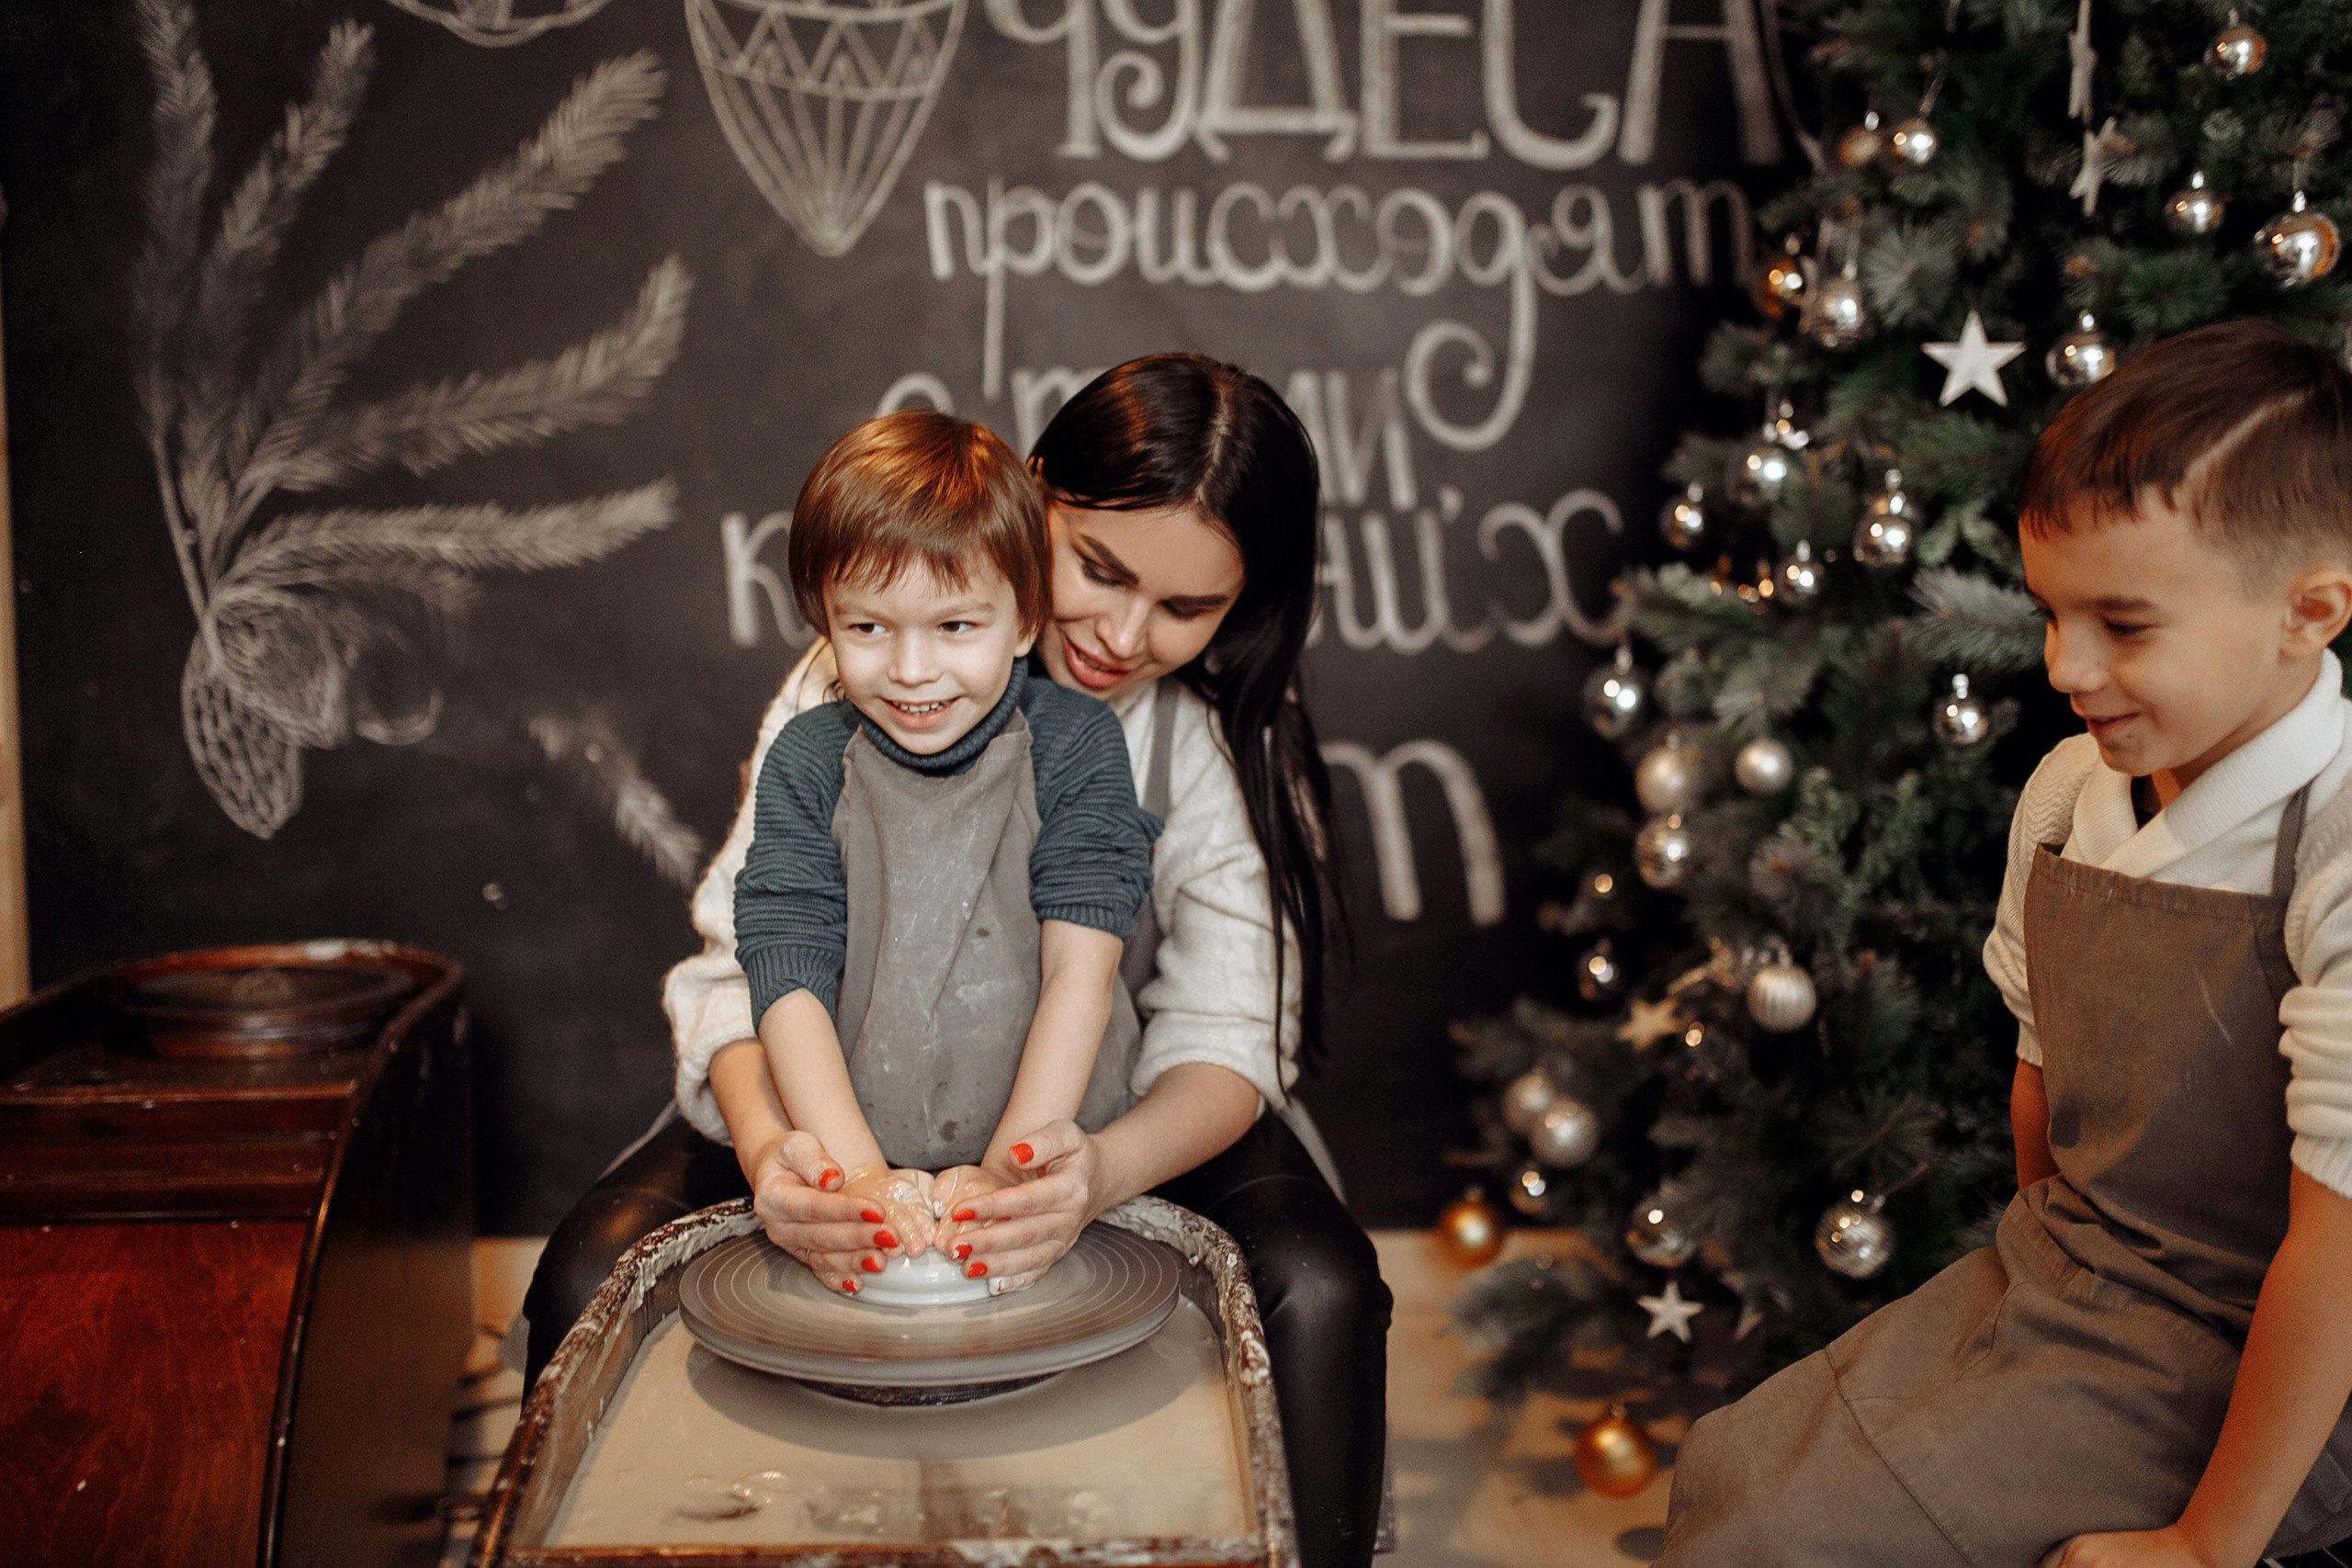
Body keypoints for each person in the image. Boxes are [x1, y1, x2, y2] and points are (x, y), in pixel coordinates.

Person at [520, 355, 1391, 1568]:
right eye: (1099, 568)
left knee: (1325, 1283)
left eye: (1186, 610)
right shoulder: (853, 683)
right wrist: (786, 1162)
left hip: (1102, 1113)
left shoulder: (1197, 741)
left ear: (1239, 611)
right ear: (1036, 504)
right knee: (586, 1268)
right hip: (837, 1082)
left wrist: (1086, 1173)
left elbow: (1226, 1033)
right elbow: (746, 973)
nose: (1124, 634)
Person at [1659, 319, 2352, 1566]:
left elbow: (2338, 1250)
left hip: (2282, 1340)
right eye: (2048, 611)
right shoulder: (2066, 796)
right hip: (2075, 1271)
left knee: (1798, 1541)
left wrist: (2202, 1544)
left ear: (2309, 610)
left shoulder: (2337, 847)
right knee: (1736, 1465)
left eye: (2125, 626)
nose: (2065, 665)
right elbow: (2047, 1086)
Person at [731, 409, 1159, 1292]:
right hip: (863, 1140)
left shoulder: (1078, 747)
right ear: (825, 621)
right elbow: (788, 974)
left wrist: (1009, 1173)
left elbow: (1081, 969)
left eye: (956, 627)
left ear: (1027, 620)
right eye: (869, 629)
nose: (912, 670)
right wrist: (856, 1179)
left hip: (1053, 1170)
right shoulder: (809, 761)